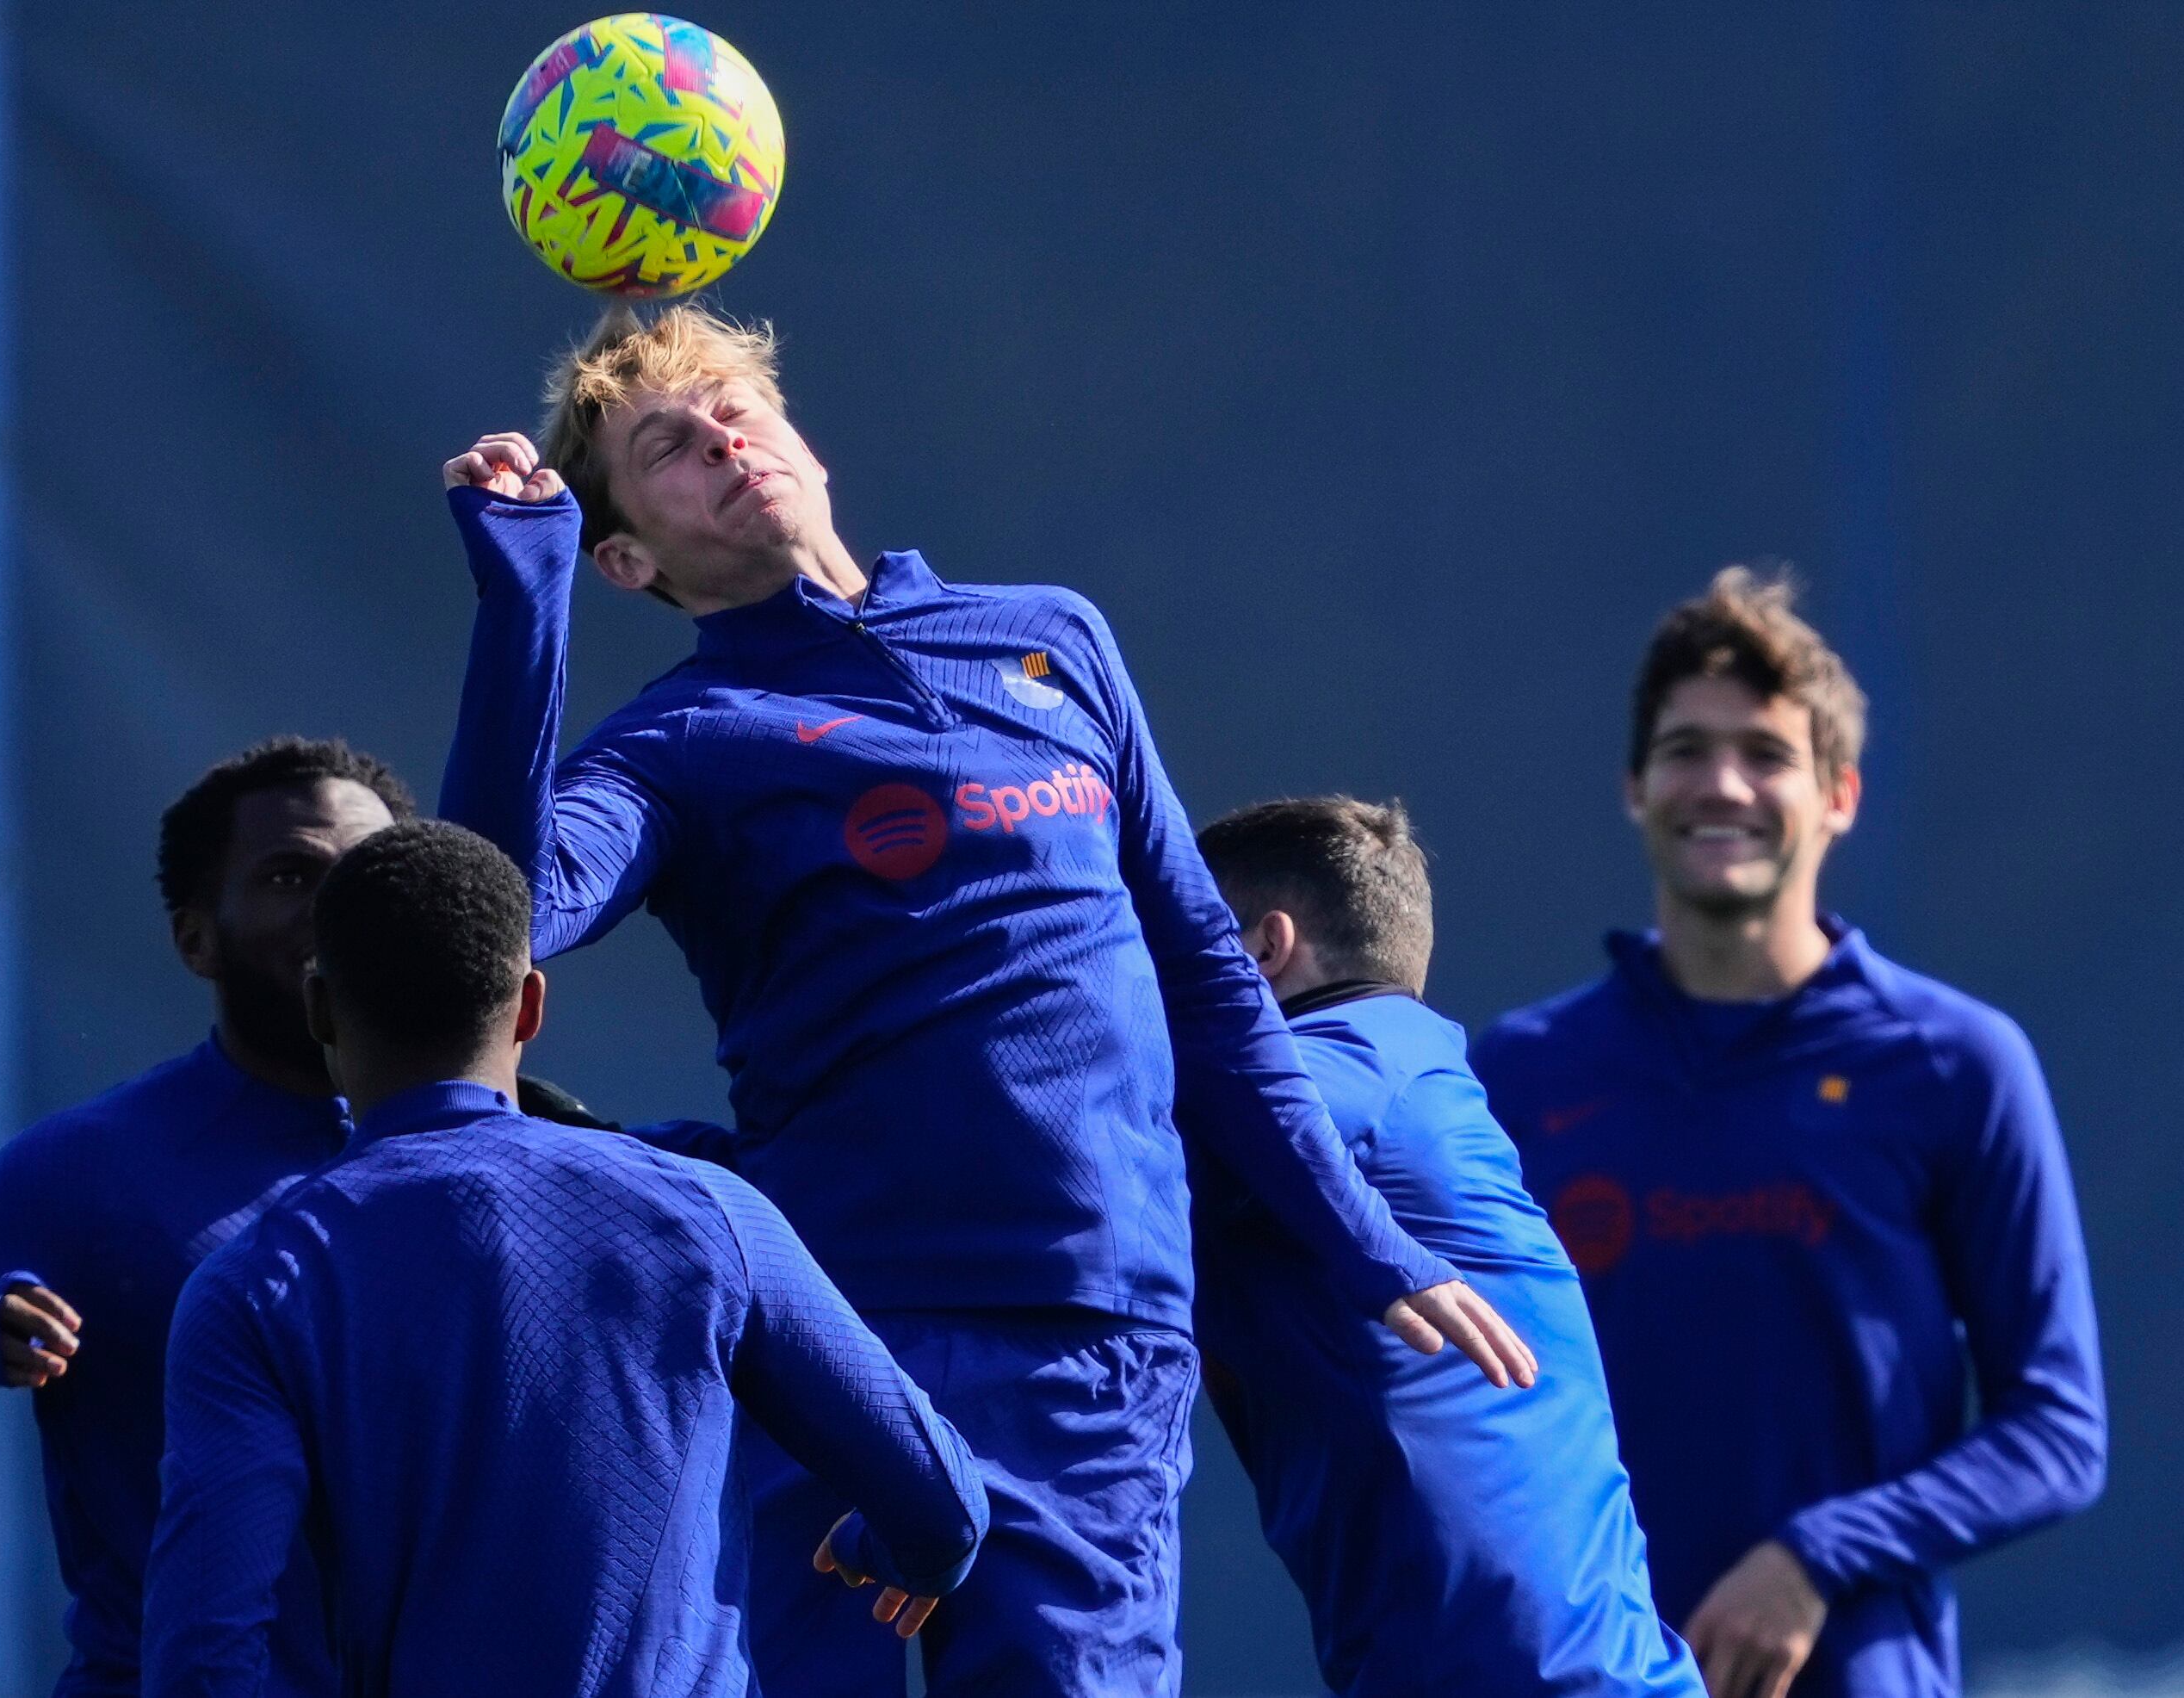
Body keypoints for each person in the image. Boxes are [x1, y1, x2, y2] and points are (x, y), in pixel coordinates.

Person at [433, 302, 1531, 1695]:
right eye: (666, 446)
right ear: (626, 557)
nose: (719, 437)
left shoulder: (1049, 639)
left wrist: (1361, 1236)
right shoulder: (678, 742)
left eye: (735, 406)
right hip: (834, 1347)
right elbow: (494, 922)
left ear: (801, 440)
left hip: (1089, 1333)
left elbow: (1203, 974)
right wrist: (521, 603)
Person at [141, 820, 989, 1696]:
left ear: (320, 1005)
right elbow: (945, 1505)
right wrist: (889, 1549)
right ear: (531, 1006)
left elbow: (202, 1657)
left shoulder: (255, 1284)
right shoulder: (709, 1213)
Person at [1473, 570, 2107, 1698]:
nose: (1722, 784)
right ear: (1634, 786)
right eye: (1685, 750)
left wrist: (1817, 1556)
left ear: (1839, 797)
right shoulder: (1519, 1076)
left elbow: (2058, 1428)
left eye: (1765, 754)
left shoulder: (1956, 1065)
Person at [0, 736, 415, 1697]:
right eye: (290, 875)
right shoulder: (91, 1168)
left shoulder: (491, 1154)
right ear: (197, 939)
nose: (335, 906)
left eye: (366, 874)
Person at [1192, 795, 1704, 1698]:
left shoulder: (1344, 1066)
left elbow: (1093, 1134)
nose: (1148, 983)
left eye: (1178, 953)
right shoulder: (1397, 1068)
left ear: (1265, 949)